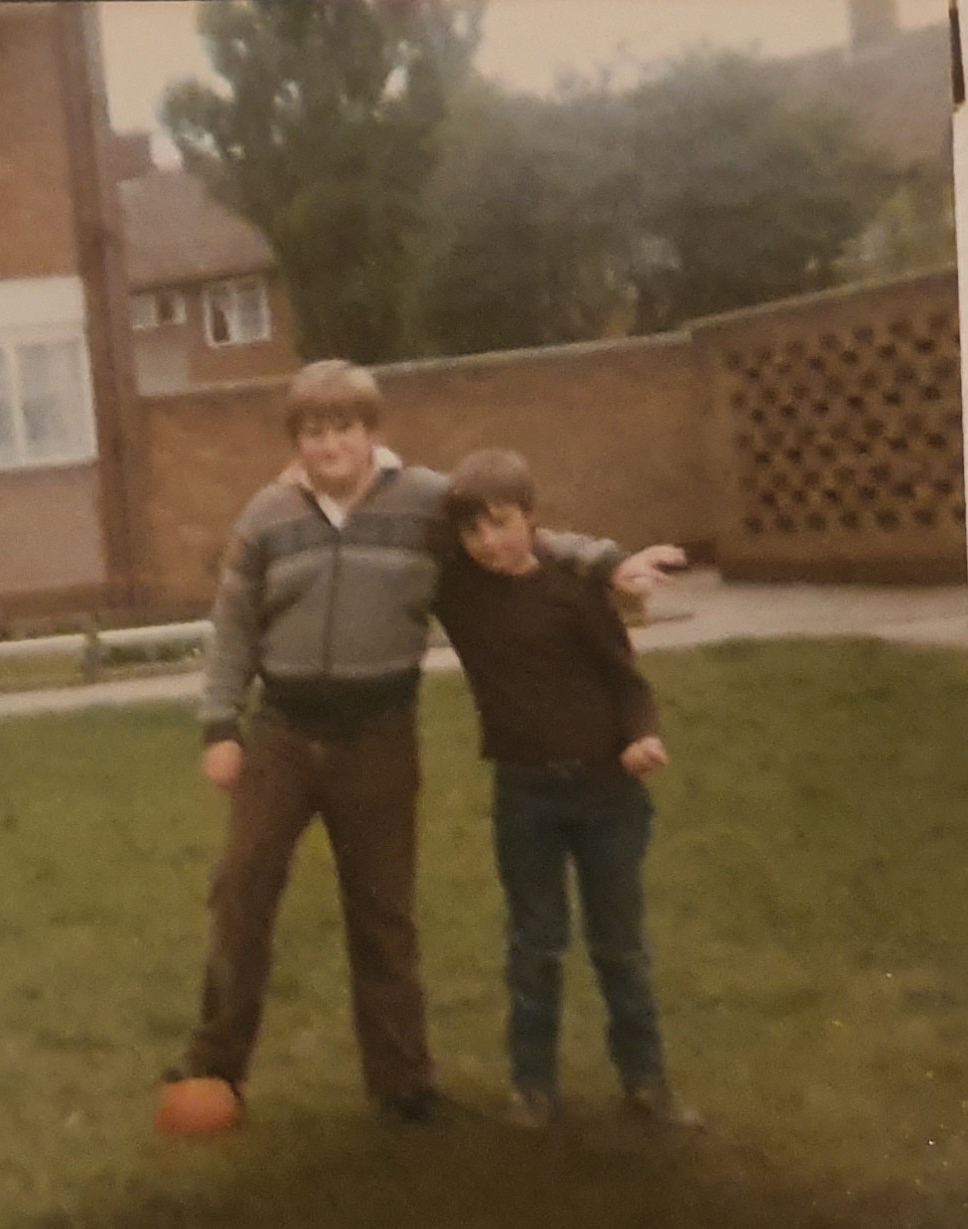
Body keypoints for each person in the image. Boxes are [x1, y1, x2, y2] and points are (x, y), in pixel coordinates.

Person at [164, 360, 684, 1126]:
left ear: (372, 432)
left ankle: (403, 1082)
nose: (329, 443)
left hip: (378, 733)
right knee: (241, 891)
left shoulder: (426, 505)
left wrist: (609, 562)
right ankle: (214, 1066)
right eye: (313, 431)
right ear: (297, 441)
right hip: (282, 732)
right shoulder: (267, 515)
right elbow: (234, 624)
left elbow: (514, 531)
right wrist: (220, 726)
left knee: (383, 910)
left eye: (344, 427)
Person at [433, 448, 699, 1131]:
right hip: (524, 797)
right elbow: (412, 517)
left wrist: (641, 734)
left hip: (607, 792)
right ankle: (532, 1087)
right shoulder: (459, 592)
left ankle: (646, 1082)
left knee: (619, 943)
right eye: (474, 531)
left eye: (503, 523)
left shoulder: (572, 587)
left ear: (532, 517)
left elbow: (624, 678)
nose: (490, 542)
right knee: (535, 944)